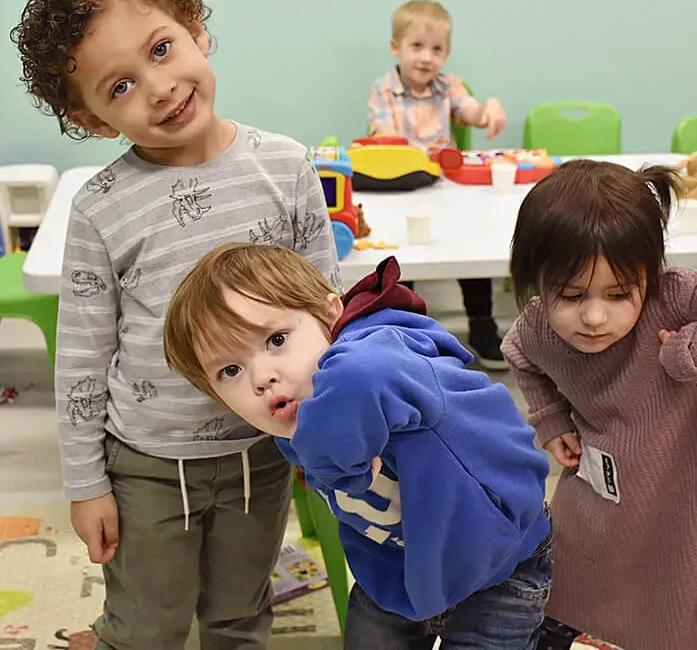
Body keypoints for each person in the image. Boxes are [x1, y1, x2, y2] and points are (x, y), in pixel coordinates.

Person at [11, 0, 340, 648]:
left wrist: (331, 429)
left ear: (194, 27)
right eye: (122, 85)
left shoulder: (284, 166)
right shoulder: (101, 209)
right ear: (93, 119)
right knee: (147, 624)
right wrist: (85, 485)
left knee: (240, 614)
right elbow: (81, 360)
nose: (159, 88)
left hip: (264, 448)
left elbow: (328, 310)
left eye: (162, 49)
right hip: (149, 462)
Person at [163, 242, 552, 650]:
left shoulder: (377, 356)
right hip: (401, 574)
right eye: (230, 371)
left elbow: (364, 373)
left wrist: (334, 464)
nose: (261, 376)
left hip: (501, 566)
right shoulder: (293, 416)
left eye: (276, 339)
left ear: (331, 314)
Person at [501, 159, 697, 650]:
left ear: (648, 277)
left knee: (669, 606)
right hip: (599, 500)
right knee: (570, 585)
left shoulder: (678, 297)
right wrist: (549, 419)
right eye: (569, 294)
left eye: (618, 294)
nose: (593, 316)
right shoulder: (537, 327)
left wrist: (686, 349)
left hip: (681, 504)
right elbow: (521, 358)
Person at [368, 0, 509, 370]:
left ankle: (481, 323)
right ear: (395, 47)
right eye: (417, 46)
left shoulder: (449, 86)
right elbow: (383, 135)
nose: (427, 57)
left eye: (437, 49)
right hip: (403, 186)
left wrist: (489, 107)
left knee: (469, 246)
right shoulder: (383, 89)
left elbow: (473, 113)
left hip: (443, 186)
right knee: (405, 256)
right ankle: (407, 327)